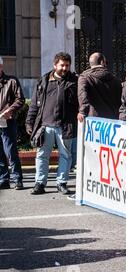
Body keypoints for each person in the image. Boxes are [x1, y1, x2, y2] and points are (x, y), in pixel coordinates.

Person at [26, 52, 78, 195]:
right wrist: (29, 123)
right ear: (55, 65)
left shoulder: (75, 81)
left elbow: (81, 103)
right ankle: (40, 183)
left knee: (66, 156)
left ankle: (61, 183)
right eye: (62, 65)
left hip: (65, 126)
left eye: (67, 65)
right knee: (42, 155)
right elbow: (34, 106)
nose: (65, 68)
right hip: (45, 126)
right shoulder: (44, 81)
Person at [0, 56, 25, 190]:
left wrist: (9, 110)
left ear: (1, 66)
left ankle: (17, 179)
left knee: (10, 151)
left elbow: (20, 99)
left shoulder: (11, 81)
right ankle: (3, 179)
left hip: (7, 121)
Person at [77, 52, 122, 121]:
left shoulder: (84, 77)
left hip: (94, 119)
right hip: (112, 119)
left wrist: (82, 111)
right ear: (102, 62)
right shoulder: (115, 79)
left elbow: (82, 96)